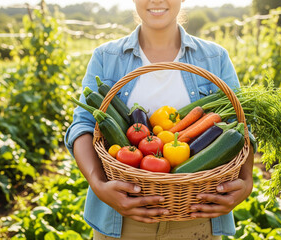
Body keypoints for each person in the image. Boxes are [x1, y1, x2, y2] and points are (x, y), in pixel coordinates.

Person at [64, 0, 254, 239]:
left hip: (198, 213)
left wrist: (247, 182)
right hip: (121, 217)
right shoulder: (106, 57)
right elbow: (82, 126)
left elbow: (242, 126)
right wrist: (98, 184)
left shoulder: (215, 58)